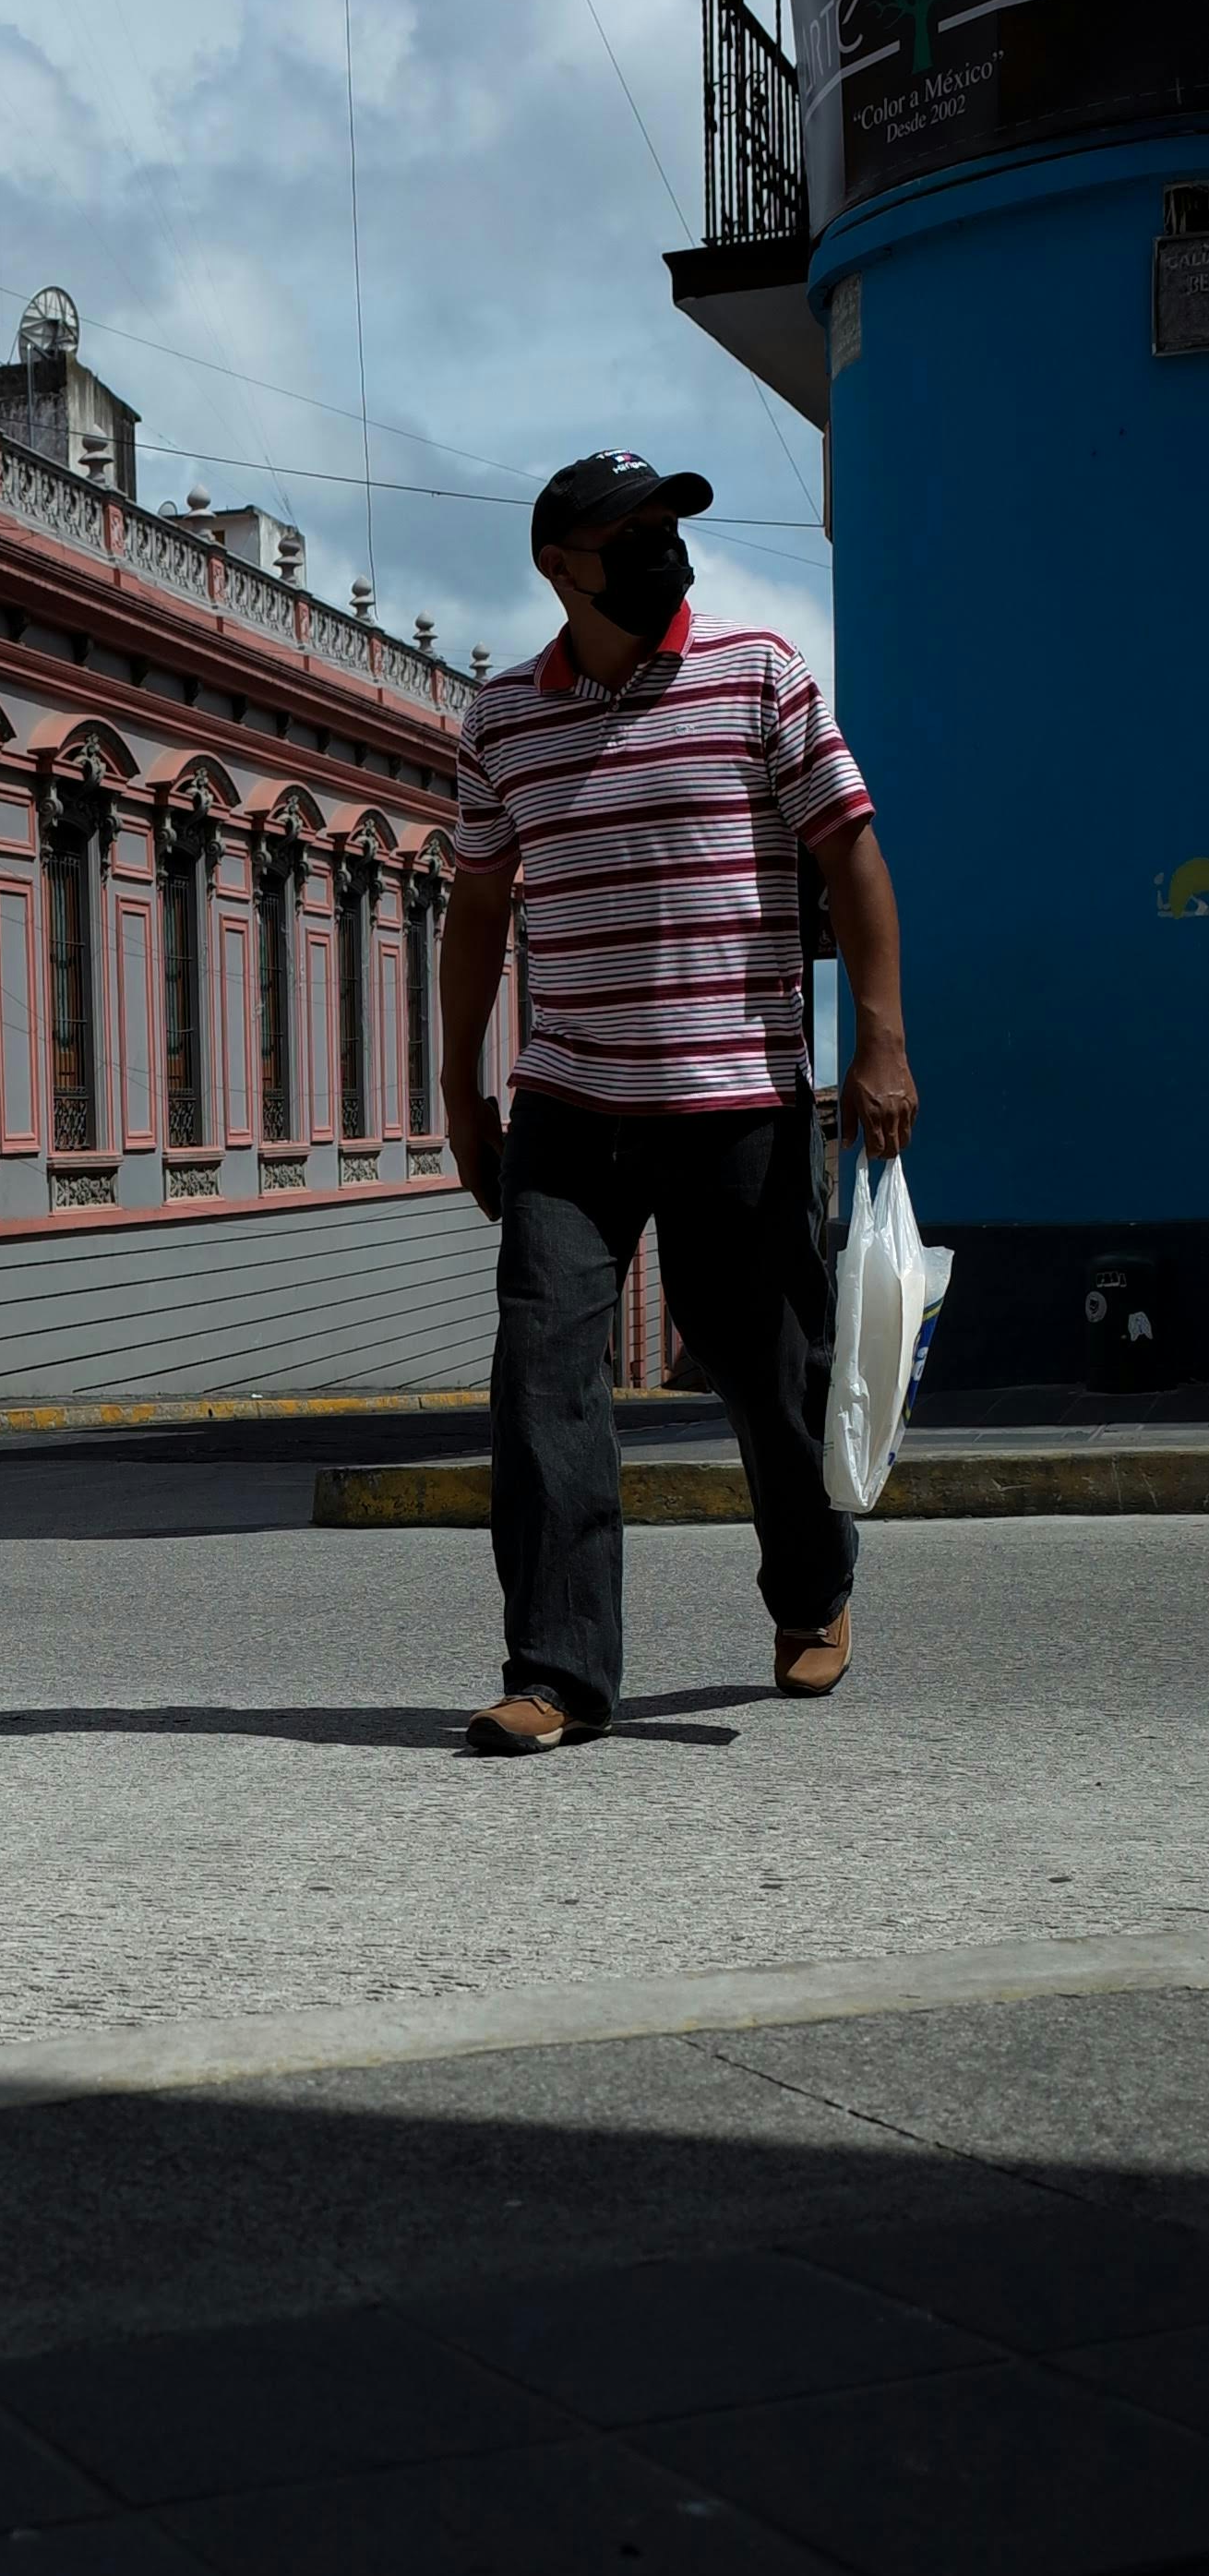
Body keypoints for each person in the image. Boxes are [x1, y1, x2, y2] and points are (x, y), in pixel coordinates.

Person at [439, 451, 916, 1756]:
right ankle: (557, 1671)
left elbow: (852, 857)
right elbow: (476, 910)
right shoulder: (498, 721)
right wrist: (462, 1089)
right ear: (559, 565)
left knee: (771, 1377)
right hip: (567, 1104)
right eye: (632, 532)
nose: (661, 548)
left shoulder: (757, 675)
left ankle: (812, 1589)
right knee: (541, 1376)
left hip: (737, 1099)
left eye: (667, 525)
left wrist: (880, 1040)